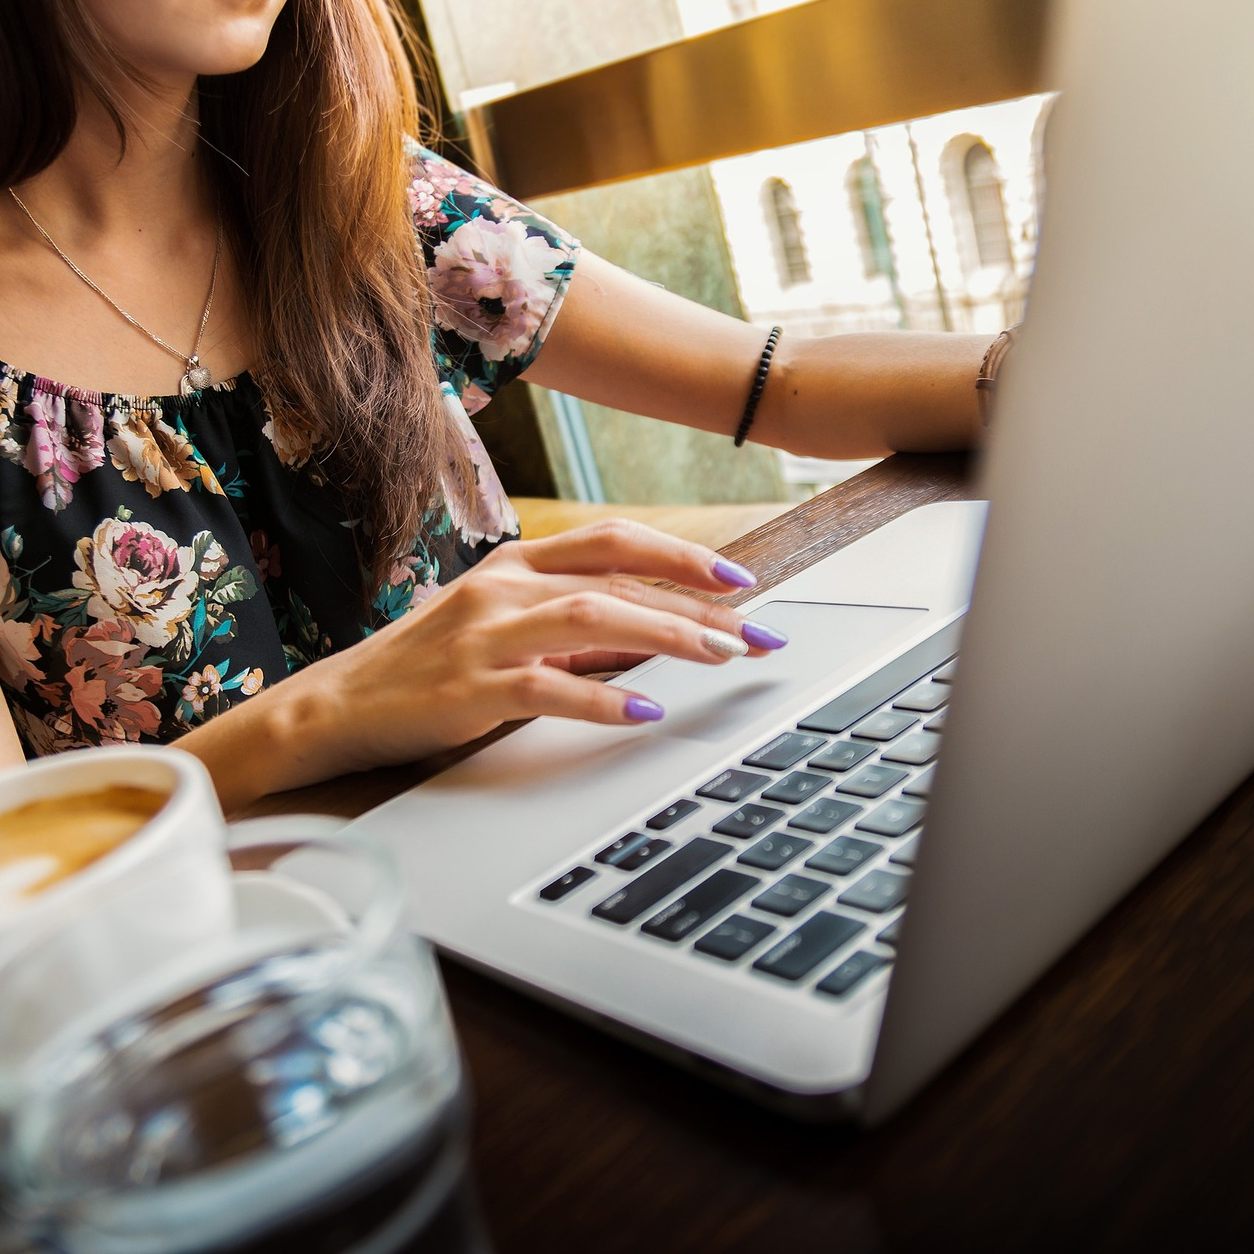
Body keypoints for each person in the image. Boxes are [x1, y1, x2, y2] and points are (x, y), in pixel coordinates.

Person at [0, 0, 994, 814]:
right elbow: (18, 874)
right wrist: (323, 716)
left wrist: (1047, 370)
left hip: (551, 823)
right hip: (238, 994)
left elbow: (775, 382)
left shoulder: (357, 195)